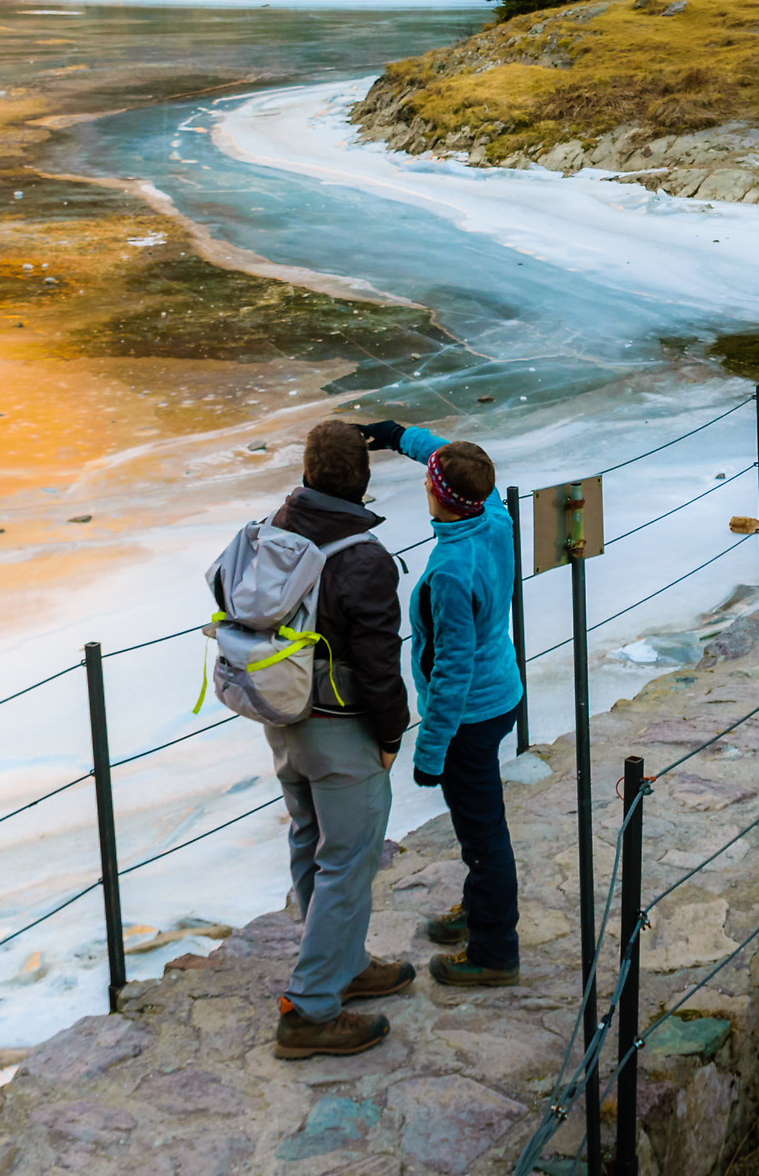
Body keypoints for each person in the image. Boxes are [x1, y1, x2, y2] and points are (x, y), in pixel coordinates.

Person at [263, 422, 416, 1060]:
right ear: (364, 479)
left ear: (307, 472)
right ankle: (311, 1007)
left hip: (281, 710)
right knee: (349, 861)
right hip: (339, 723)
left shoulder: (273, 526)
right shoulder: (363, 557)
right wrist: (391, 734)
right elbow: (379, 665)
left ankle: (342, 965)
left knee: (309, 839)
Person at [358, 418, 524, 986]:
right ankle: (480, 910)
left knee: (484, 835)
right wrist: (401, 434)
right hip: (499, 693)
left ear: (434, 492)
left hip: (468, 715)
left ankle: (494, 952)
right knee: (480, 823)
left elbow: (452, 672)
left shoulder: (452, 572)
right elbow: (450, 461)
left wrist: (429, 751)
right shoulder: (492, 516)